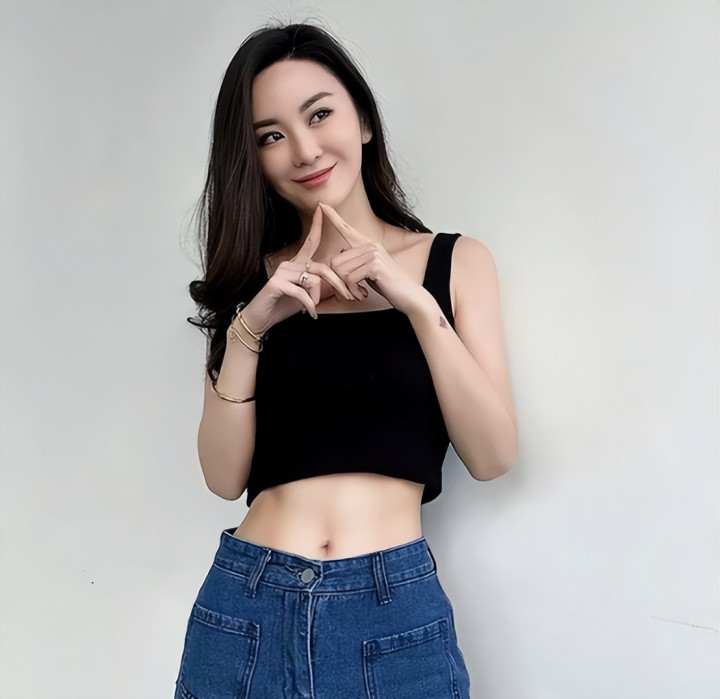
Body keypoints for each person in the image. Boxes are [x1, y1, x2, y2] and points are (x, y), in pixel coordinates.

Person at [174, 21, 517, 699]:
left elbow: (492, 455)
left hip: (390, 615)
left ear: (363, 120)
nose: (304, 150)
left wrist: (414, 302)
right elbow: (222, 476)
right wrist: (249, 329)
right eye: (270, 136)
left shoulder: (456, 263)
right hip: (246, 605)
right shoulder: (253, 287)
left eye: (319, 114)